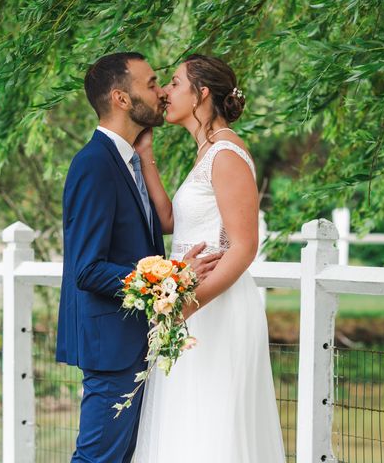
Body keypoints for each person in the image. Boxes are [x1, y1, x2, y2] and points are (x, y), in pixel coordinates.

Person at [55, 52, 221, 463]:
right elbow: (87, 269)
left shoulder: (127, 160)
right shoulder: (93, 164)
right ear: (121, 98)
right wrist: (172, 279)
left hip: (138, 339)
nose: (161, 92)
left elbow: (154, 227)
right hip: (112, 345)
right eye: (150, 84)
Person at [133, 54, 286, 462]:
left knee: (212, 427)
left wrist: (187, 305)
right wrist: (146, 154)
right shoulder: (205, 154)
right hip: (188, 304)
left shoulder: (226, 155)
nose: (165, 92)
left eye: (175, 82)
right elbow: (170, 220)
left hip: (214, 307)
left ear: (202, 94)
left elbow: (244, 247)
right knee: (185, 426)